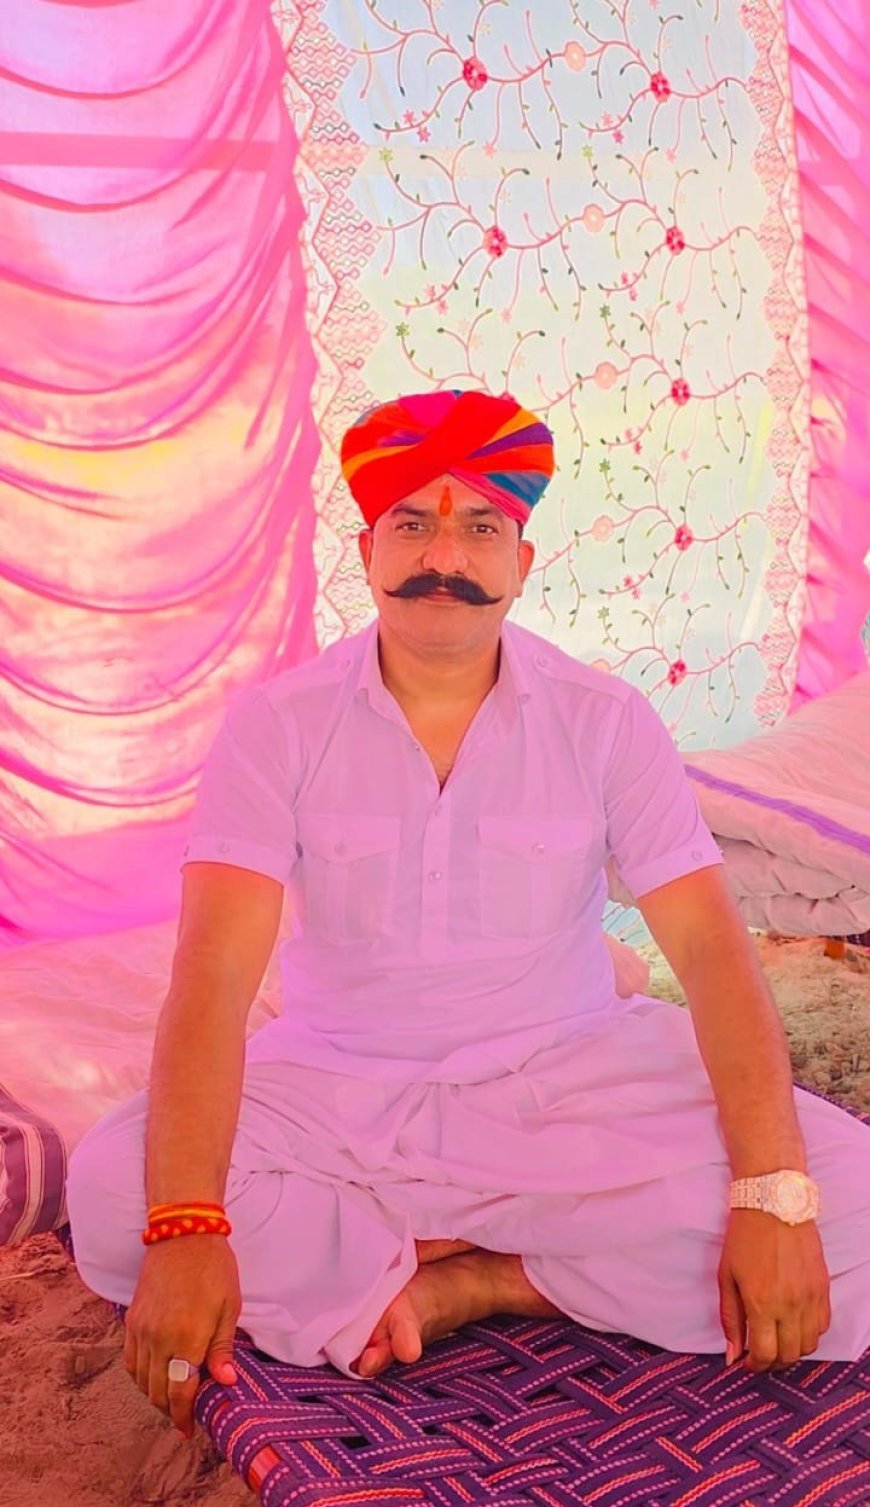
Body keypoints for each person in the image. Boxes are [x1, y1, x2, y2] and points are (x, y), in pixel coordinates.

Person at [66, 388, 870, 1444]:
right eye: (412, 522)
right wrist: (185, 1223)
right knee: (112, 1194)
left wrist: (772, 1194)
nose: (444, 554)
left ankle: (485, 1277)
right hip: (339, 1084)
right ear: (367, 550)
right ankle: (555, 1250)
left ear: (522, 563)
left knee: (845, 1198)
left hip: (567, 1072)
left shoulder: (604, 720)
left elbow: (714, 953)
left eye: (481, 526)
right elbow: (212, 979)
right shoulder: (278, 726)